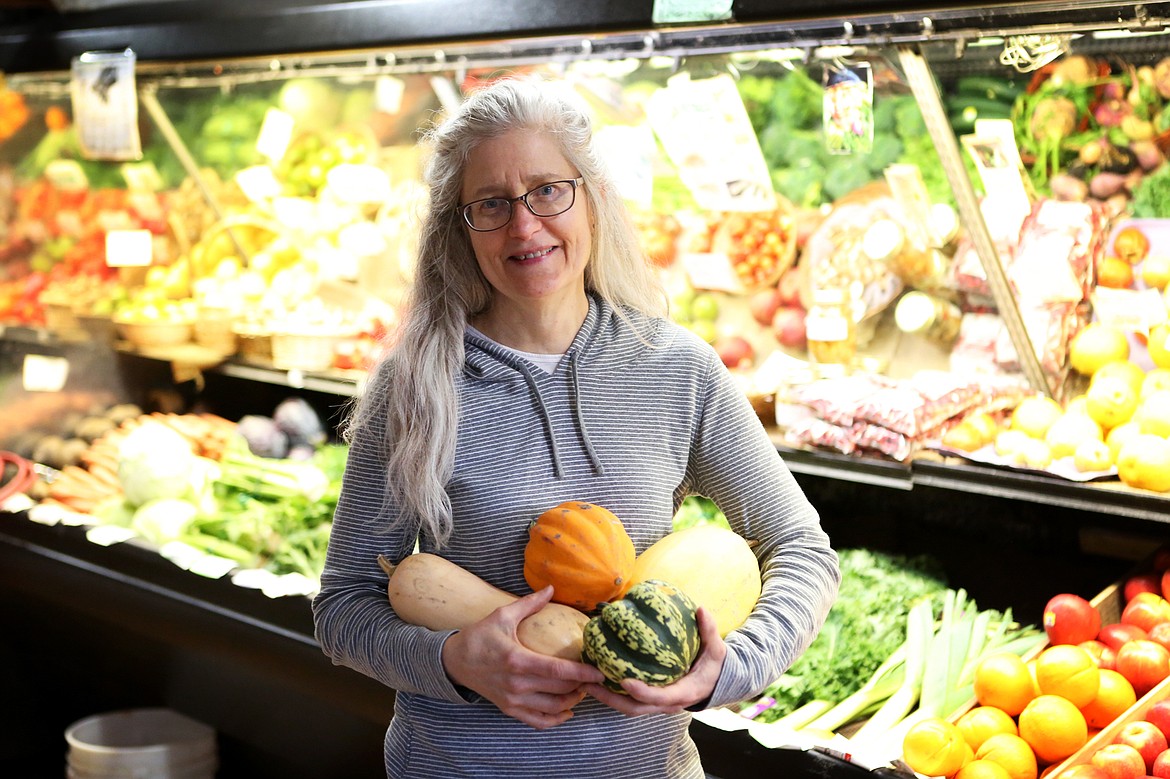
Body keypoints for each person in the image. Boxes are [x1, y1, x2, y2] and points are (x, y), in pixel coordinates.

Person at [312, 76, 840, 779]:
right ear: (458, 228)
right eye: (491, 204)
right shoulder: (412, 385)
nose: (525, 226)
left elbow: (800, 547)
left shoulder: (676, 367)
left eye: (548, 191)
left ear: (590, 197)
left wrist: (729, 667)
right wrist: (454, 660)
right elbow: (345, 604)